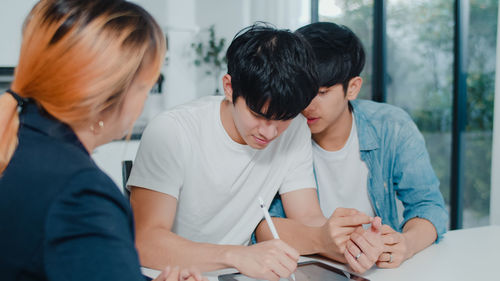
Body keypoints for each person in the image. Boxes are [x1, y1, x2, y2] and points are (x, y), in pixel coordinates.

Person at [0, 1, 205, 280]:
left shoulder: (18, 141)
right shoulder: (80, 195)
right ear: (107, 93)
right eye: (145, 86)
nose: (144, 100)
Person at [126, 24, 319, 281]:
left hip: (239, 274)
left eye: (284, 118)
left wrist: (348, 239)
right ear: (229, 87)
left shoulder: (295, 131)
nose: (270, 133)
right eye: (258, 115)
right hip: (167, 274)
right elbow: (144, 241)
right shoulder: (173, 130)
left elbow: (306, 216)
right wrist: (237, 255)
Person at [256, 21, 449, 273]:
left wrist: (405, 243)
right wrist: (324, 241)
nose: (307, 105)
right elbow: (264, 225)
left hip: (377, 271)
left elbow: (428, 205)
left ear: (353, 88)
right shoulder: (276, 132)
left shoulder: (391, 126)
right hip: (304, 269)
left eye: (322, 92)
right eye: (301, 91)